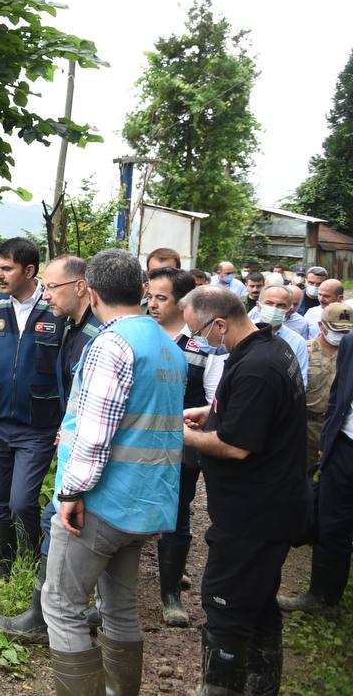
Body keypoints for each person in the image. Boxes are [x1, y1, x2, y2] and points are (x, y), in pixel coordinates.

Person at [42, 249, 185, 695]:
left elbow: (94, 434)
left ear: (93, 292)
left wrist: (70, 493)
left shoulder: (111, 345)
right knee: (120, 606)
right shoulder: (166, 345)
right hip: (144, 504)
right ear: (142, 289)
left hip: (99, 504)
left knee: (62, 605)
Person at [181, 286, 308, 696]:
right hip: (272, 505)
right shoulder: (268, 349)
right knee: (260, 602)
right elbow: (253, 412)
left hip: (254, 513)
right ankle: (261, 685)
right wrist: (208, 412)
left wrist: (180, 435)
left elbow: (237, 445)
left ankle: (222, 686)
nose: (199, 342)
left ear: (219, 323)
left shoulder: (257, 367)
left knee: (226, 608)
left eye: (199, 332)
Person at [0, 255, 102, 644]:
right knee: (55, 519)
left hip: (84, 451)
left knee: (57, 519)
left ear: (82, 286)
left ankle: (50, 618)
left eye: (52, 288)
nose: (46, 296)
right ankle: (76, 609)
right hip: (65, 439)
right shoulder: (75, 327)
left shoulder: (94, 335)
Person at [0, 238, 68, 578]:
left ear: (29, 270)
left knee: (22, 501)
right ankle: (3, 568)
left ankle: (36, 559)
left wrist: (66, 423)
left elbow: (69, 371)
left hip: (38, 424)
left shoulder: (56, 310)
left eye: (6, 268)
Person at [147, 267, 224, 628]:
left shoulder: (202, 348)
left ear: (181, 301)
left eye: (161, 298)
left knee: (177, 514)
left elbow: (214, 402)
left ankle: (170, 595)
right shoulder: (138, 335)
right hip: (136, 445)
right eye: (150, 296)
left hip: (181, 449)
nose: (153, 304)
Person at [279, 323, 353, 620]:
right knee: (331, 523)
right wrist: (327, 440)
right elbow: (339, 394)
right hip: (344, 446)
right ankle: (323, 596)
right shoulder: (350, 343)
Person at [300, 302, 353, 469]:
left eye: (347, 331)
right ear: (321, 326)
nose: (342, 335)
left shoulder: (349, 355)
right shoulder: (304, 350)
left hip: (338, 428)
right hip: (307, 426)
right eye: (337, 330)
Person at [251, 285, 312, 384]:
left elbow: (300, 381)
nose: (274, 308)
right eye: (269, 303)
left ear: (289, 309)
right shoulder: (243, 332)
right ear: (258, 306)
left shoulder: (297, 341)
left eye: (281, 305)